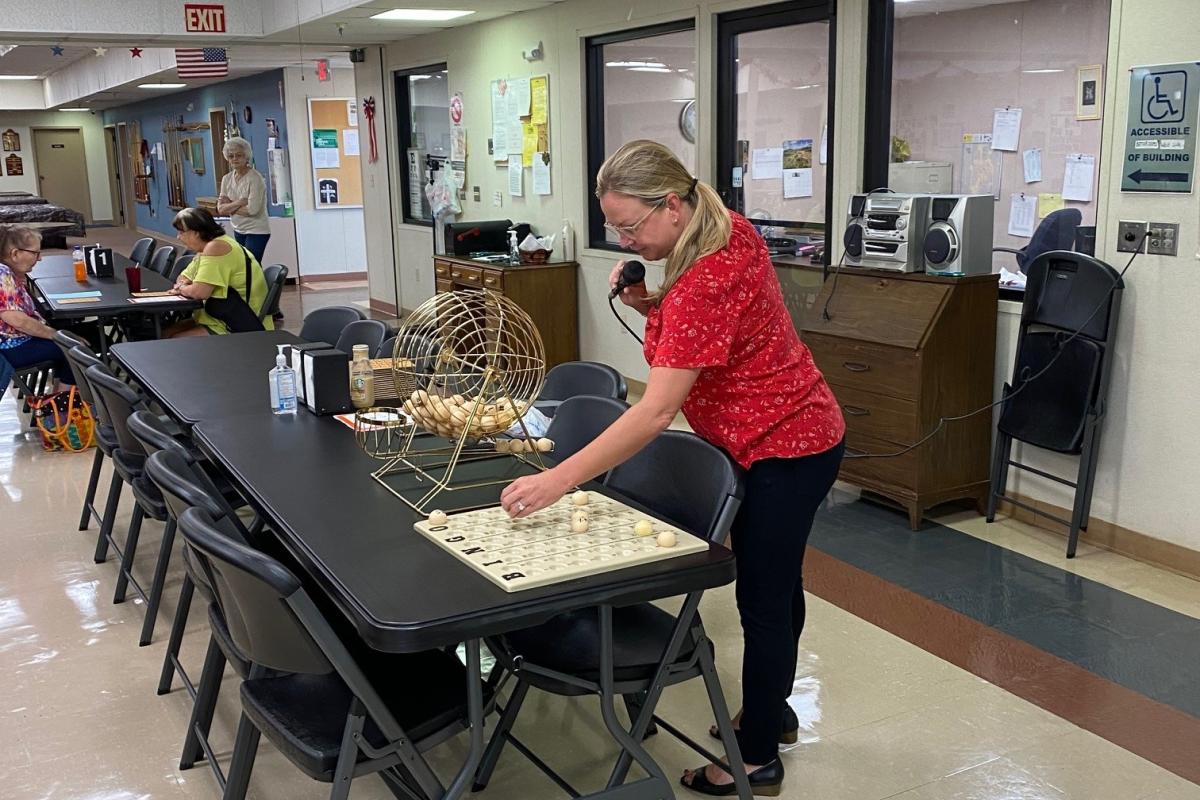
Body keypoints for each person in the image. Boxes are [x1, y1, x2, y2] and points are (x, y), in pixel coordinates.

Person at [499, 140, 845, 796]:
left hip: (788, 446)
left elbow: (656, 411)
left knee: (764, 599)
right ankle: (775, 712)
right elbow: (706, 329)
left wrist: (557, 478)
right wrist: (647, 304)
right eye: (615, 228)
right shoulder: (726, 229)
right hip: (784, 433)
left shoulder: (708, 273)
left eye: (632, 226)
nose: (626, 240)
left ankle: (759, 755)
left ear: (674, 206)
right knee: (779, 586)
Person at [167, 208, 273, 337]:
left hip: (236, 325)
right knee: (165, 333)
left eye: (181, 232)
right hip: (214, 318)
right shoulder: (206, 248)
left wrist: (183, 288)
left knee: (173, 339)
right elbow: (183, 277)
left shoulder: (217, 247)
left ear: (196, 232)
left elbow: (199, 292)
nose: (178, 237)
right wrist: (187, 285)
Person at [0, 225, 76, 387]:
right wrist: (58, 336)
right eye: (35, 253)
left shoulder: (9, 273)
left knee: (68, 344)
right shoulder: (2, 274)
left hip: (11, 344)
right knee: (74, 352)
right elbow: (18, 320)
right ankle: (64, 409)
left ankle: (61, 401)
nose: (40, 258)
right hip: (10, 348)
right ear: (15, 254)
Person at [216, 136, 270, 267]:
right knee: (244, 266)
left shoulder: (255, 178)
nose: (234, 159)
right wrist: (239, 202)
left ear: (247, 157)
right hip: (238, 229)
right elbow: (220, 209)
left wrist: (229, 204)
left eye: (239, 155)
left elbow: (252, 210)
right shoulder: (226, 179)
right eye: (231, 156)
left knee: (250, 265)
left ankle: (259, 287)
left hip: (256, 230)